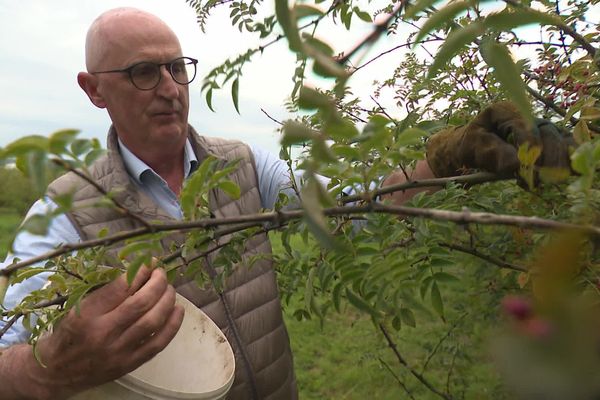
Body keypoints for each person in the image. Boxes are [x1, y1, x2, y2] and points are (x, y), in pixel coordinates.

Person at [0, 7, 574, 400]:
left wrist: (451, 153)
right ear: (94, 89)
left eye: (177, 67)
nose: (172, 88)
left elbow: (347, 206)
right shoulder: (65, 213)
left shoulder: (244, 164)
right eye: (143, 72)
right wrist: (52, 366)